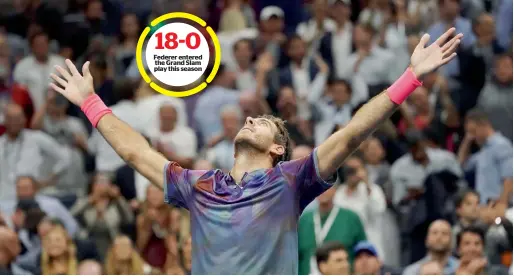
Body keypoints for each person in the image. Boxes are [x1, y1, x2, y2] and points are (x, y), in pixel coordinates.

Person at [49, 28, 463, 274]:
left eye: (261, 123)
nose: (249, 120)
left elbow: (352, 133)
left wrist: (410, 78)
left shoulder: (291, 180)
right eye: (250, 119)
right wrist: (90, 102)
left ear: (277, 148)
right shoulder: (200, 185)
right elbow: (136, 153)